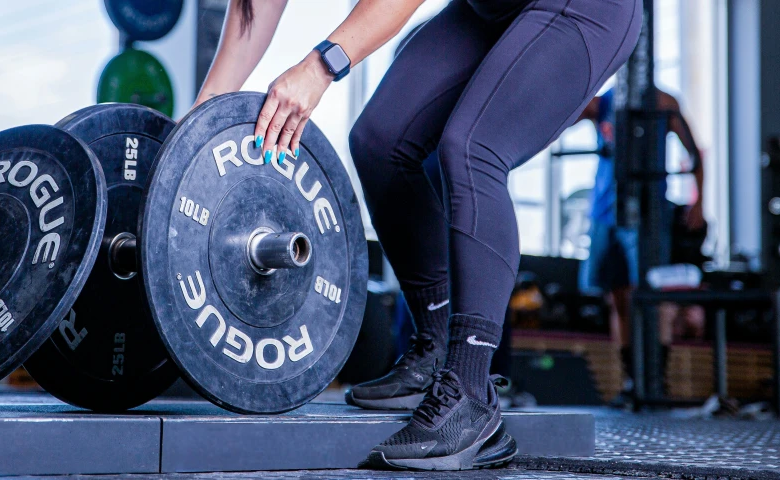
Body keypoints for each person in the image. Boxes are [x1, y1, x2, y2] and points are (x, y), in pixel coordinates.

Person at [194, 0, 640, 470]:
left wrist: (321, 65)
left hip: (583, 8)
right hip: (492, 10)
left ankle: (470, 398)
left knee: (472, 150)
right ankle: (435, 350)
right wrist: (201, 118)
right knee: (379, 141)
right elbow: (255, 7)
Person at [575, 87, 706, 399]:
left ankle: (656, 381)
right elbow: (558, 114)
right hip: (605, 214)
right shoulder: (600, 103)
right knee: (618, 298)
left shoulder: (663, 102)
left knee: (654, 297)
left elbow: (694, 154)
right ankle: (632, 381)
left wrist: (699, 203)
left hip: (649, 214)